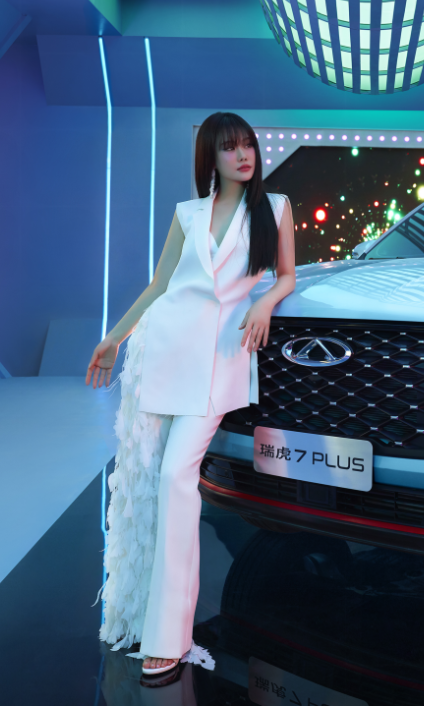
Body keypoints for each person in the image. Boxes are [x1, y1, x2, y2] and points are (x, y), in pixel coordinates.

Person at [86, 112, 295, 676]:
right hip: (165, 353)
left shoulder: (275, 208)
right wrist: (112, 339)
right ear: (211, 157)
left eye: (248, 145)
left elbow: (286, 275)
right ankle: (143, 616)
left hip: (220, 362)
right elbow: (160, 286)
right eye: (230, 148)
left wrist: (264, 302)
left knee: (176, 476)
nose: (243, 156)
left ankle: (169, 636)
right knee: (149, 480)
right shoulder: (188, 213)